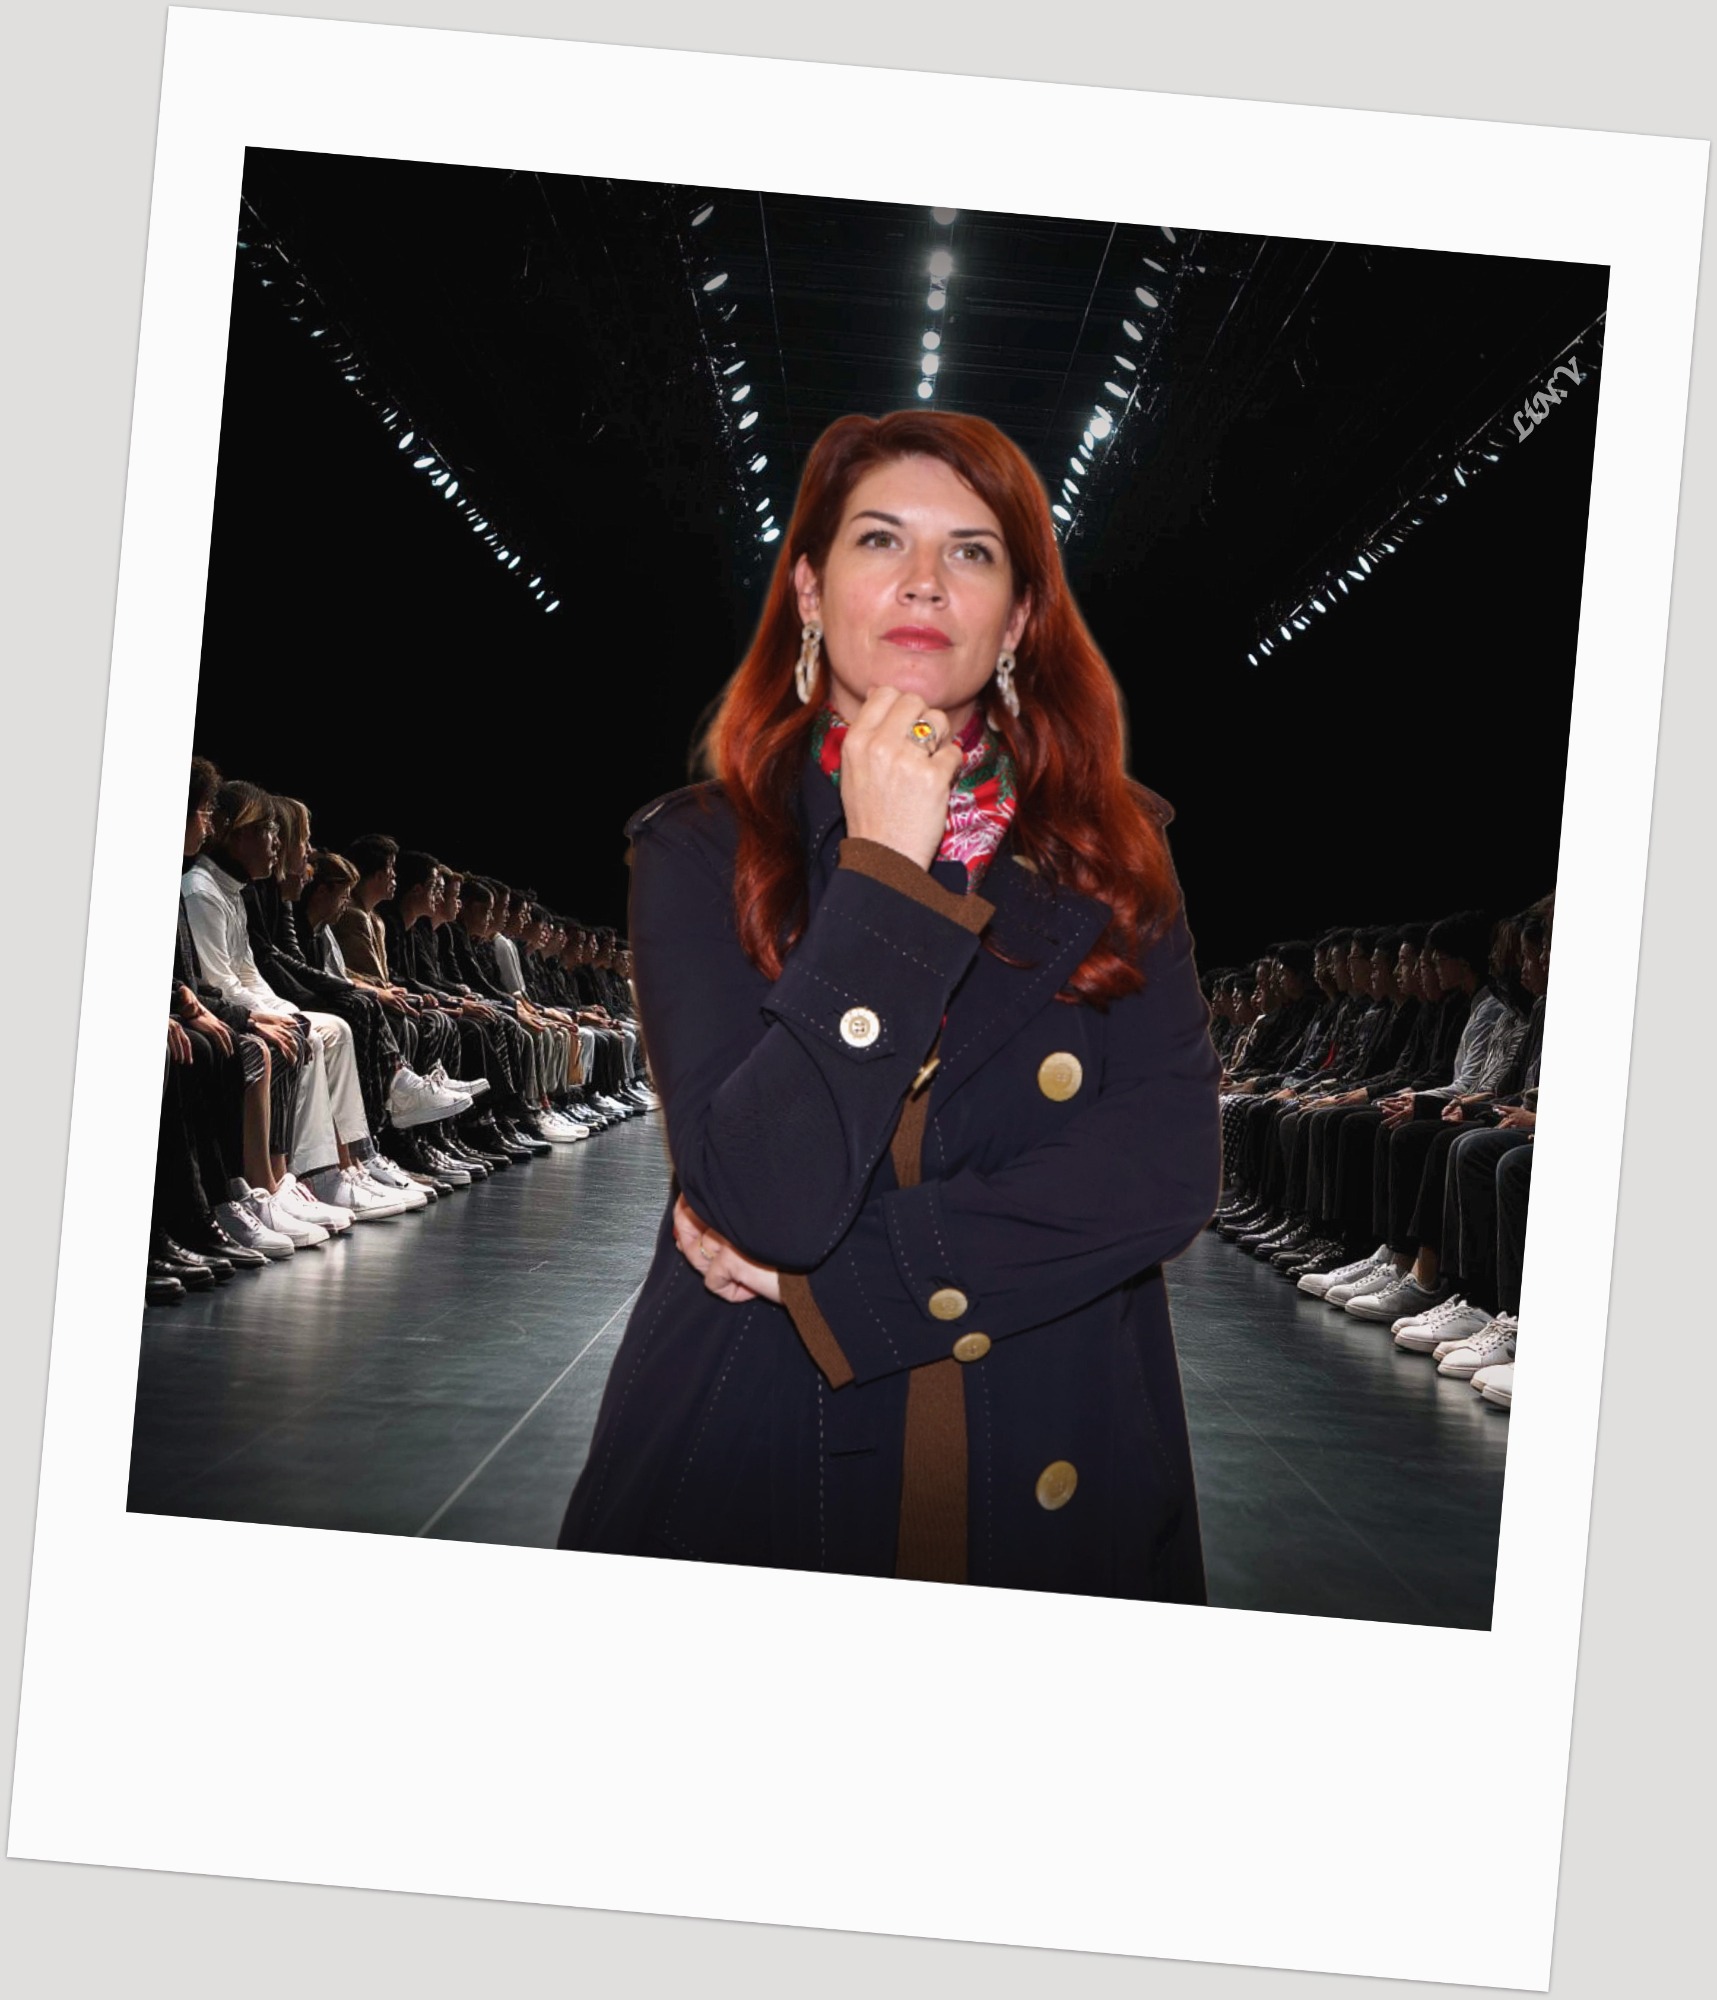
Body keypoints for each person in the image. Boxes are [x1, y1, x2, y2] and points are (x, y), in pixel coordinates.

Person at [559, 408, 1221, 1598]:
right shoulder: (700, 847)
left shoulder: (1114, 851)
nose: (924, 579)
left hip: (1053, 1418)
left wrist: (841, 1282)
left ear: (1015, 618)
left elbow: (1165, 1170)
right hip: (764, 1424)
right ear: (810, 591)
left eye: (971, 550)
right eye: (880, 539)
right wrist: (886, 875)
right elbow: (764, 1196)